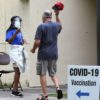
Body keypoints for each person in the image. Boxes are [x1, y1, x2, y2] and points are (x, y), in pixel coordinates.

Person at [31, 10, 63, 100]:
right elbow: (60, 26)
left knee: (42, 74)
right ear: (50, 17)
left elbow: (37, 42)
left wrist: (33, 50)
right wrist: (57, 15)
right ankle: (58, 87)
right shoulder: (56, 25)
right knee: (53, 73)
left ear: (44, 17)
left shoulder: (41, 26)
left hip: (43, 54)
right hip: (54, 54)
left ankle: (45, 95)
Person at [6, 16, 27, 97]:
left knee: (19, 72)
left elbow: (20, 42)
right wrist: (15, 33)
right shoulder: (10, 31)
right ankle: (14, 91)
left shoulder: (19, 31)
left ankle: (15, 90)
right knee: (17, 71)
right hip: (14, 52)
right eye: (17, 21)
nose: (19, 23)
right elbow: (9, 41)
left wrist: (23, 41)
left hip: (19, 51)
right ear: (13, 22)